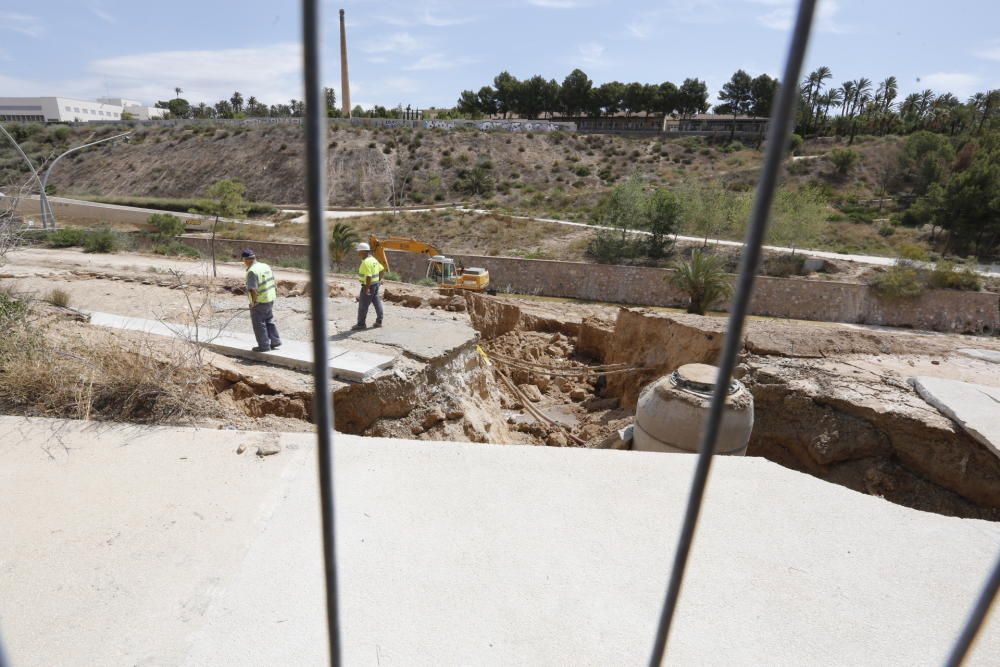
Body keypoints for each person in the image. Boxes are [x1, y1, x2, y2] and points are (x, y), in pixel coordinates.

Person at [242, 248, 282, 352]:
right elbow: (273, 281)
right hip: (270, 298)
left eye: (244, 260)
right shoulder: (265, 266)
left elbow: (253, 289)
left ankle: (264, 346)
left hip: (260, 300)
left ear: (247, 260)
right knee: (269, 319)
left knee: (259, 323)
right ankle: (275, 341)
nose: (244, 263)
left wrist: (253, 302)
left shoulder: (252, 271)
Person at [352, 242, 385, 330]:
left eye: (359, 251)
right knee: (377, 303)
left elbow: (369, 276)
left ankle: (361, 324)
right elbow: (382, 270)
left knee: (363, 306)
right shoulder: (373, 259)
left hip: (368, 286)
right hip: (375, 285)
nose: (358, 253)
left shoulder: (365, 263)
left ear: (363, 251)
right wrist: (378, 280)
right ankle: (379, 321)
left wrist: (366, 289)